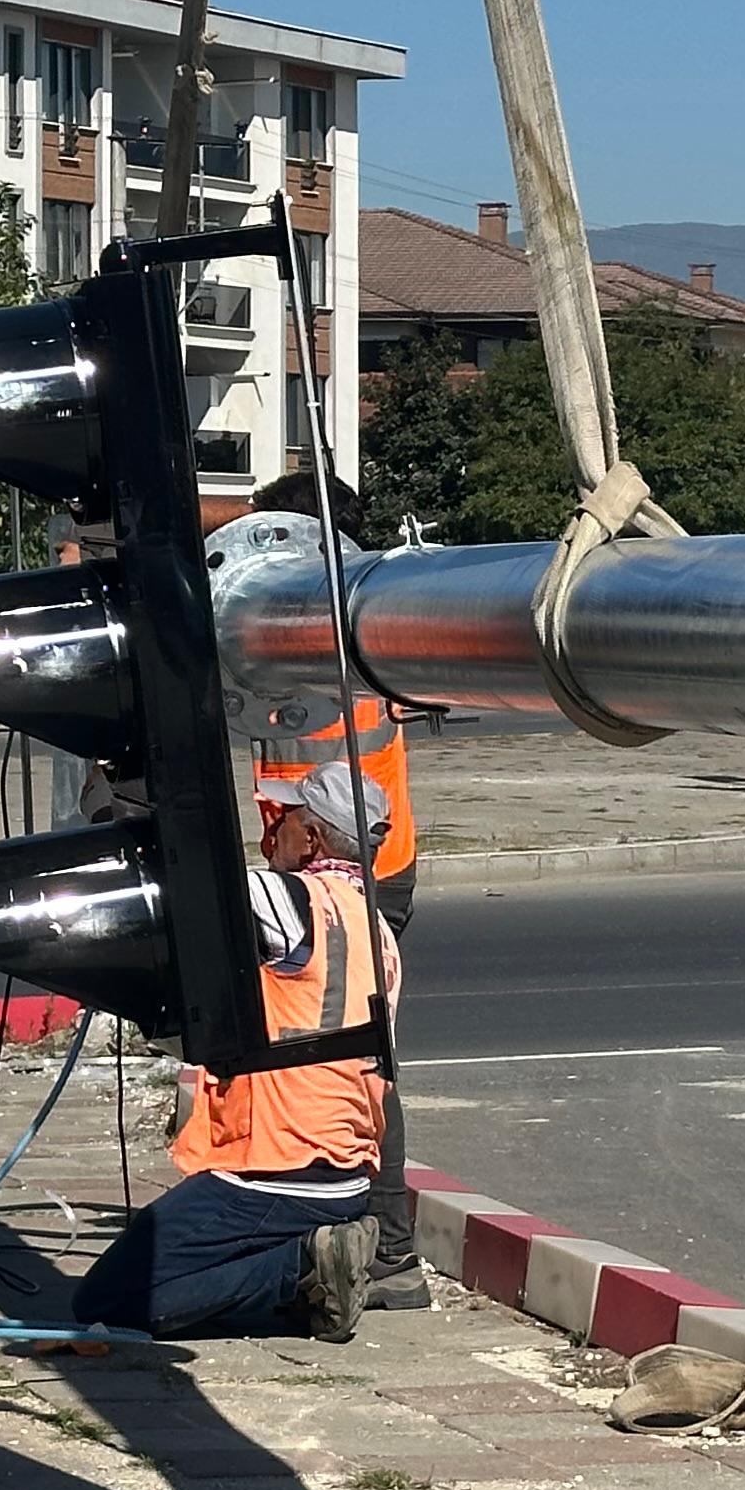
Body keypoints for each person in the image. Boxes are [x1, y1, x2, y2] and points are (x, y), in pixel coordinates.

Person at [71, 765, 402, 1342]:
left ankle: (303, 1267)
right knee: (191, 1276)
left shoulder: (292, 898)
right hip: (345, 1172)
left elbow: (192, 878)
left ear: (312, 839)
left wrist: (115, 813)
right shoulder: (376, 927)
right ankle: (314, 1268)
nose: (270, 833)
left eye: (284, 820)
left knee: (107, 1299)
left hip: (280, 1165)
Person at [244, 468, 428, 1303]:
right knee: (333, 1056)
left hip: (350, 872)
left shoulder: (321, 630)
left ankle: (387, 1253)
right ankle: (345, 1236)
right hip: (337, 863)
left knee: (354, 1059)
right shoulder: (343, 617)